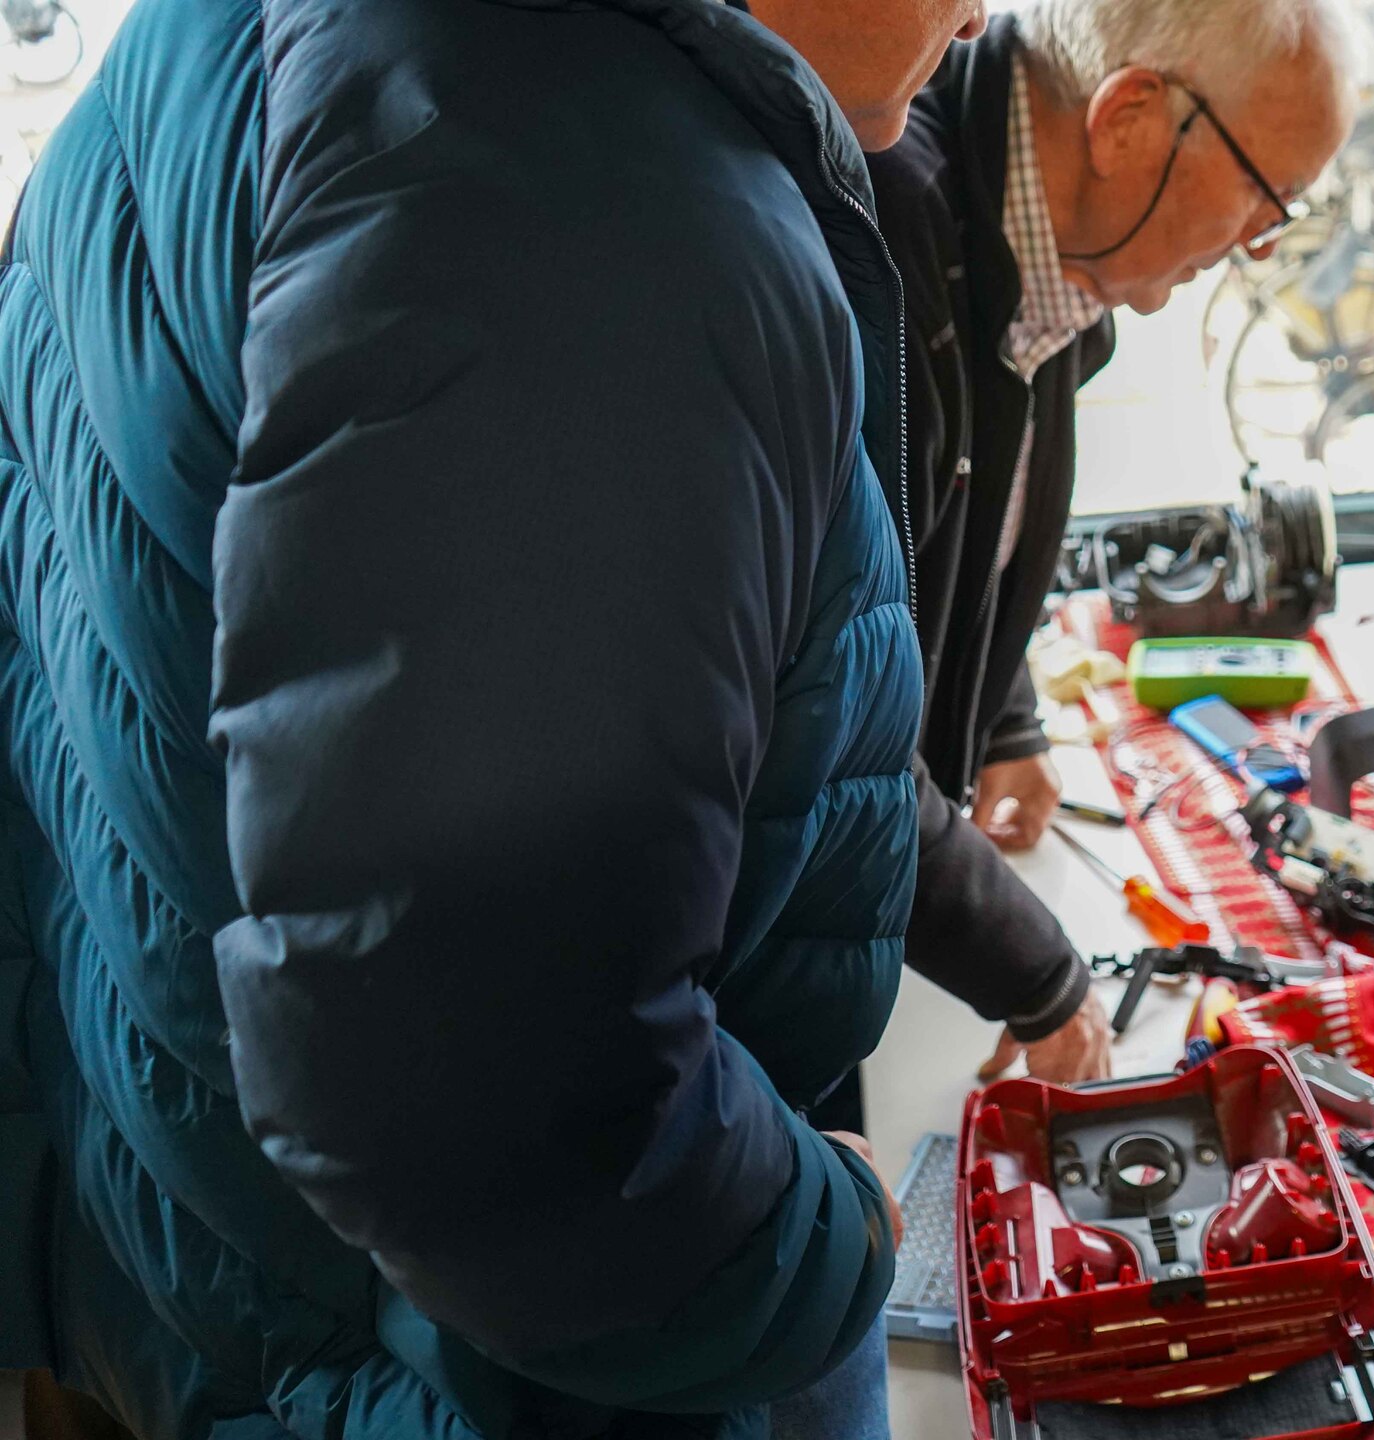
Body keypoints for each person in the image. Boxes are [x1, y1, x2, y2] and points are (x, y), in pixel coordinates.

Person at [0, 0, 985, 1436]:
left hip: (216, 1259)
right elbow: (502, 1106)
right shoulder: (594, 190)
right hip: (495, 1365)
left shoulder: (236, 40)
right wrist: (832, 1242)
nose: (975, 15)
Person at [866, 0, 1355, 1085]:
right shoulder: (887, 246)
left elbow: (971, 513)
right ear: (1129, 116)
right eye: (1264, 199)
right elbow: (829, 723)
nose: (1257, 245)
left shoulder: (1056, 258)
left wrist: (1001, 716)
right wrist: (1036, 974)